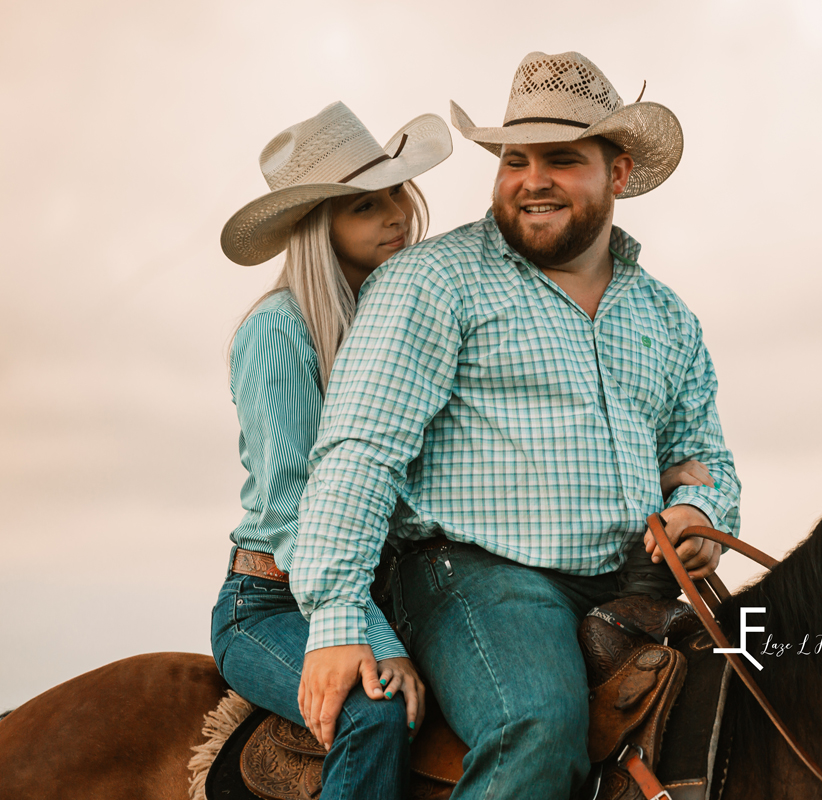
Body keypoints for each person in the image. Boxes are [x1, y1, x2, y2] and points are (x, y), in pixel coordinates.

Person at [292, 52, 741, 799]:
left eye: (561, 160)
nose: (532, 180)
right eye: (514, 160)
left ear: (619, 174)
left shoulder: (667, 318)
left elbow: (703, 459)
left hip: (634, 576)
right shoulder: (433, 282)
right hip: (474, 573)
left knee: (775, 694)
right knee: (537, 724)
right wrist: (336, 619)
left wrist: (700, 509)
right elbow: (358, 454)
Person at [209, 101, 452, 800]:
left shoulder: (397, 324)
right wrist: (377, 642)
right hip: (273, 600)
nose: (396, 217)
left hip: (384, 585)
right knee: (373, 711)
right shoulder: (277, 333)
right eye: (366, 208)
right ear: (321, 228)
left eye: (396, 196)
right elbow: (295, 510)